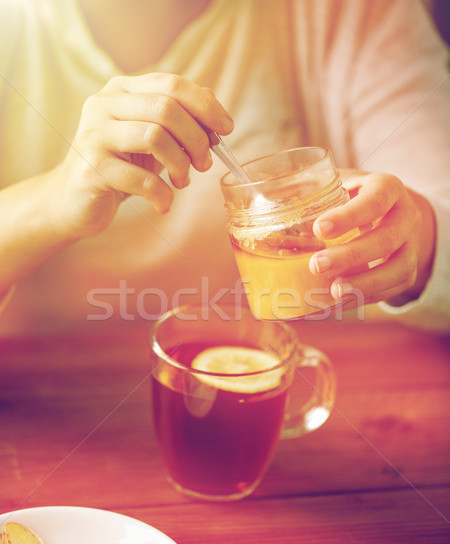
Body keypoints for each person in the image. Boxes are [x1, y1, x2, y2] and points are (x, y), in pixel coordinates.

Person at [0, 0, 448, 334]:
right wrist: (54, 201)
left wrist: (417, 233)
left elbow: (434, 209)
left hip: (284, 387)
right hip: (50, 415)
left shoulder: (349, 12)